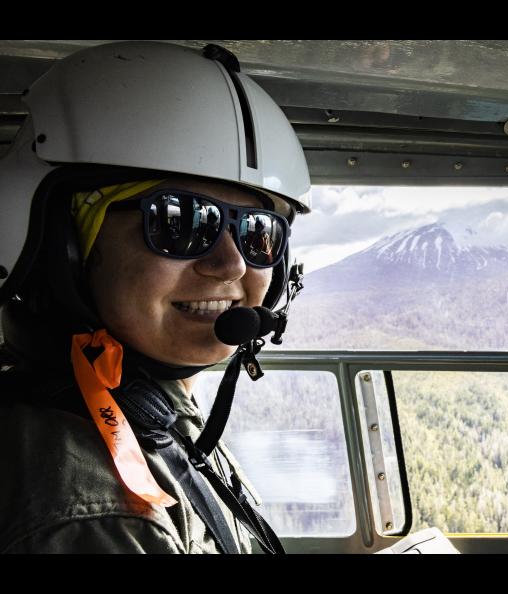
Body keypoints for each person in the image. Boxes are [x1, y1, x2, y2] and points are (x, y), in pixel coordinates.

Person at [0, 41, 311, 553]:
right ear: (67, 249)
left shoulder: (147, 405)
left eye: (258, 232)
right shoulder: (96, 513)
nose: (232, 264)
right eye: (179, 221)